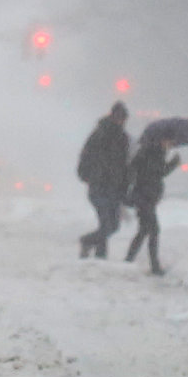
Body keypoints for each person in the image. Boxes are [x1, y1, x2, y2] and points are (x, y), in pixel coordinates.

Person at [75, 102, 131, 260]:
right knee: (107, 223)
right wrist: (88, 175)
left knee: (113, 225)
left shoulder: (123, 138)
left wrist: (124, 184)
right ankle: (96, 251)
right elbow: (86, 156)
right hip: (99, 185)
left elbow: (124, 164)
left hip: (114, 186)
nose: (122, 121)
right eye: (120, 118)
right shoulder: (100, 134)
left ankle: (92, 246)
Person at [123, 131, 177, 275]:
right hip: (144, 197)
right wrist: (174, 163)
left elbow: (154, 172)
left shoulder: (153, 152)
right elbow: (158, 172)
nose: (170, 145)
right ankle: (154, 266)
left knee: (144, 230)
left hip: (146, 197)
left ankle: (129, 260)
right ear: (161, 140)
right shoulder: (152, 153)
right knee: (154, 230)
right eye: (169, 141)